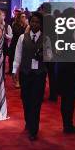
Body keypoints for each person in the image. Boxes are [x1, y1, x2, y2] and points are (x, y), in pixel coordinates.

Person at [13, 12, 49, 140]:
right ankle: (29, 122)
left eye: (37, 22)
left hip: (39, 74)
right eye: (32, 21)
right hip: (25, 73)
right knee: (26, 100)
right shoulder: (23, 37)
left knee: (36, 102)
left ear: (41, 24)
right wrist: (14, 71)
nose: (34, 24)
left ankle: (34, 129)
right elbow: (17, 55)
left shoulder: (47, 38)